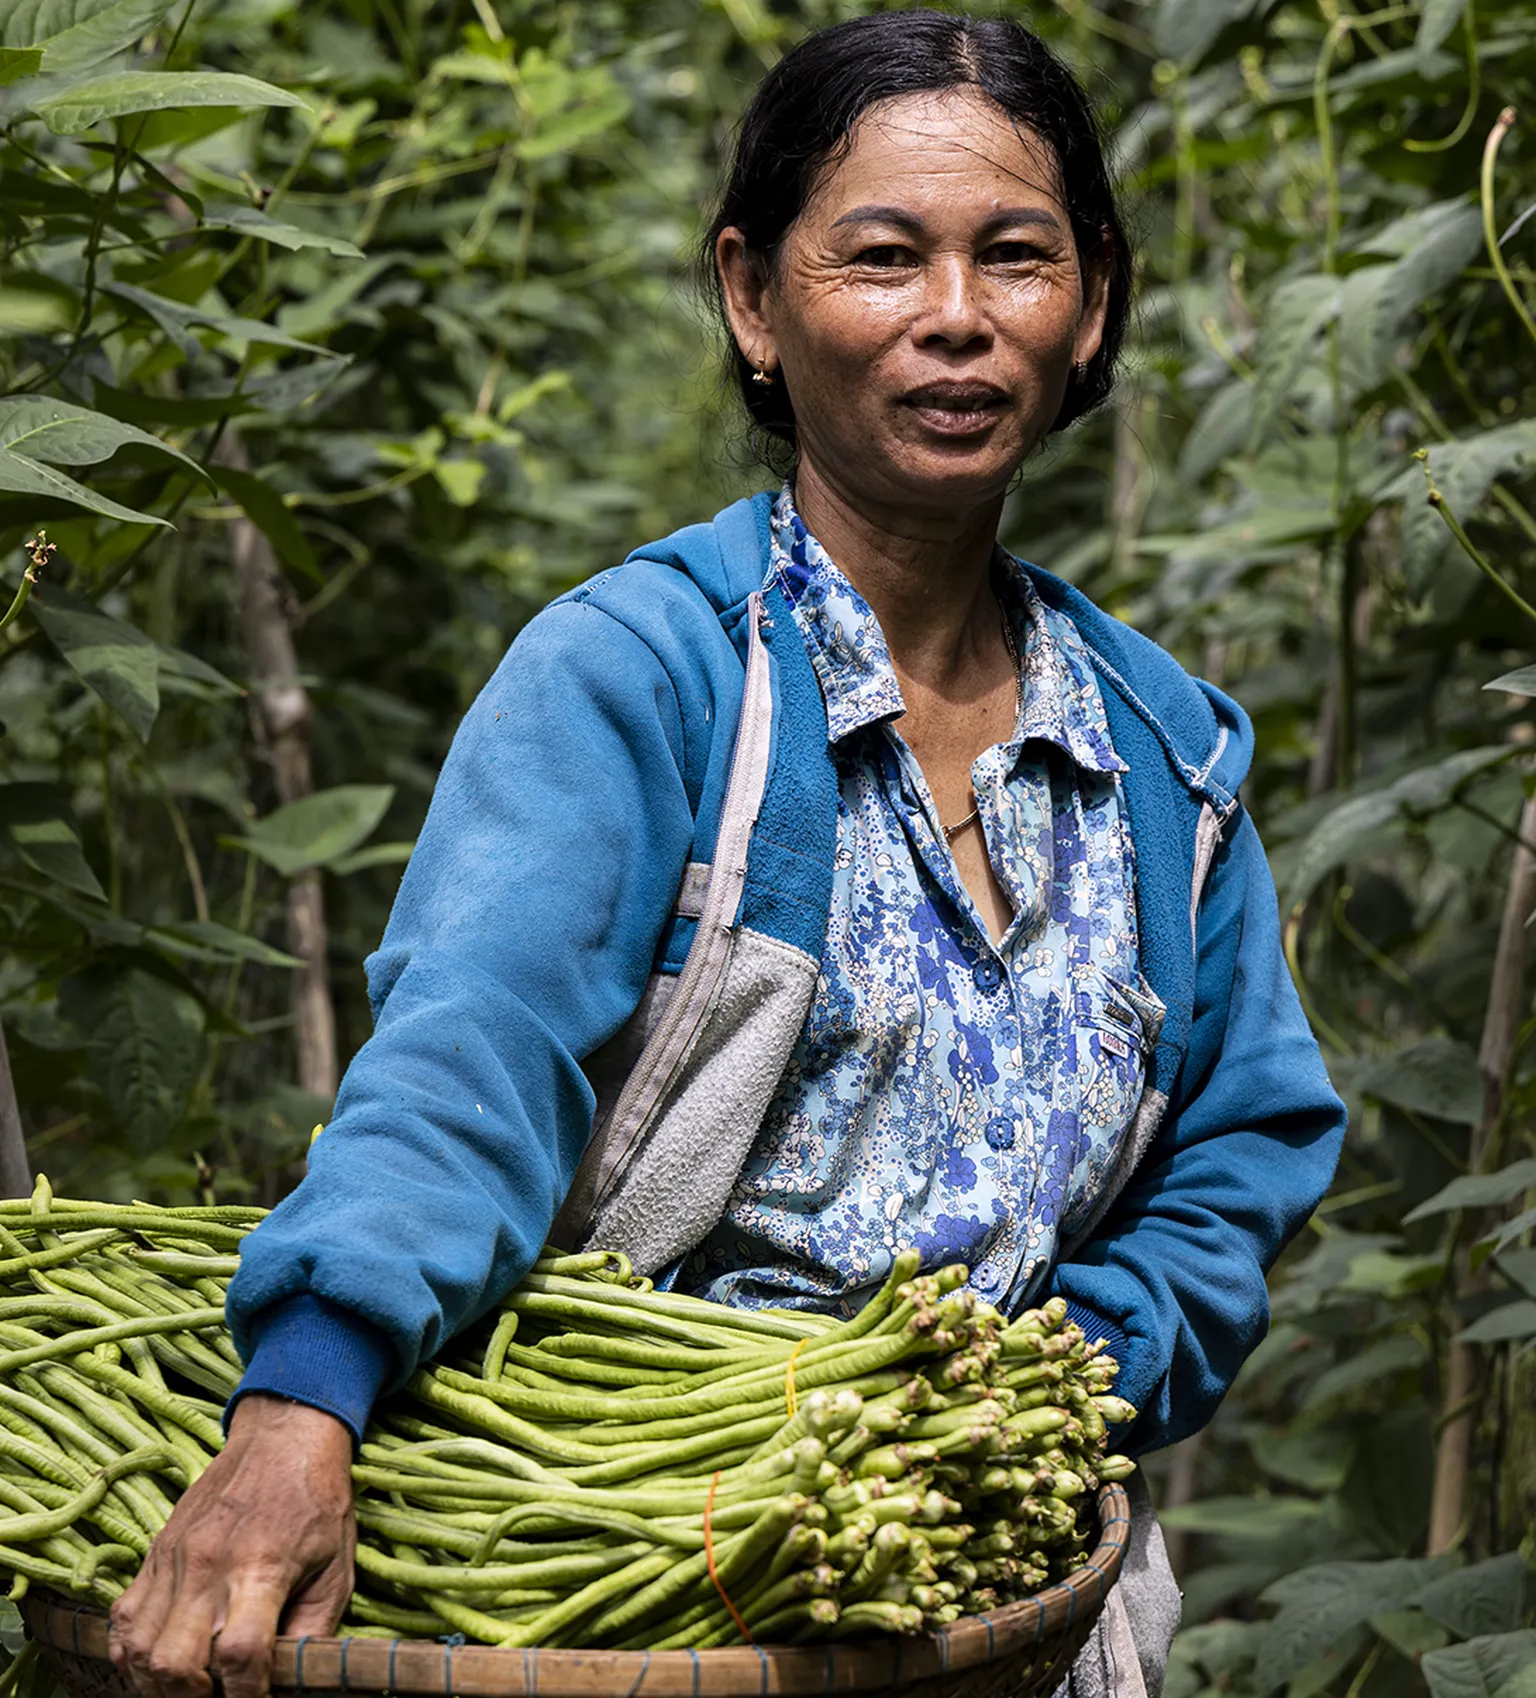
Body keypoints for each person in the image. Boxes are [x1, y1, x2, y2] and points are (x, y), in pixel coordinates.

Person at [108, 12, 1345, 1698]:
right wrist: (301, 1400)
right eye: (885, 257)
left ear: (1096, 301)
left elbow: (1247, 1142)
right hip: (638, 1611)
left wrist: (1061, 1378)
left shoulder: (1162, 757)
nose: (958, 318)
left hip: (1010, 1623)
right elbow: (475, 1048)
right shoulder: (648, 679)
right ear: (757, 300)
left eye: (1017, 257)